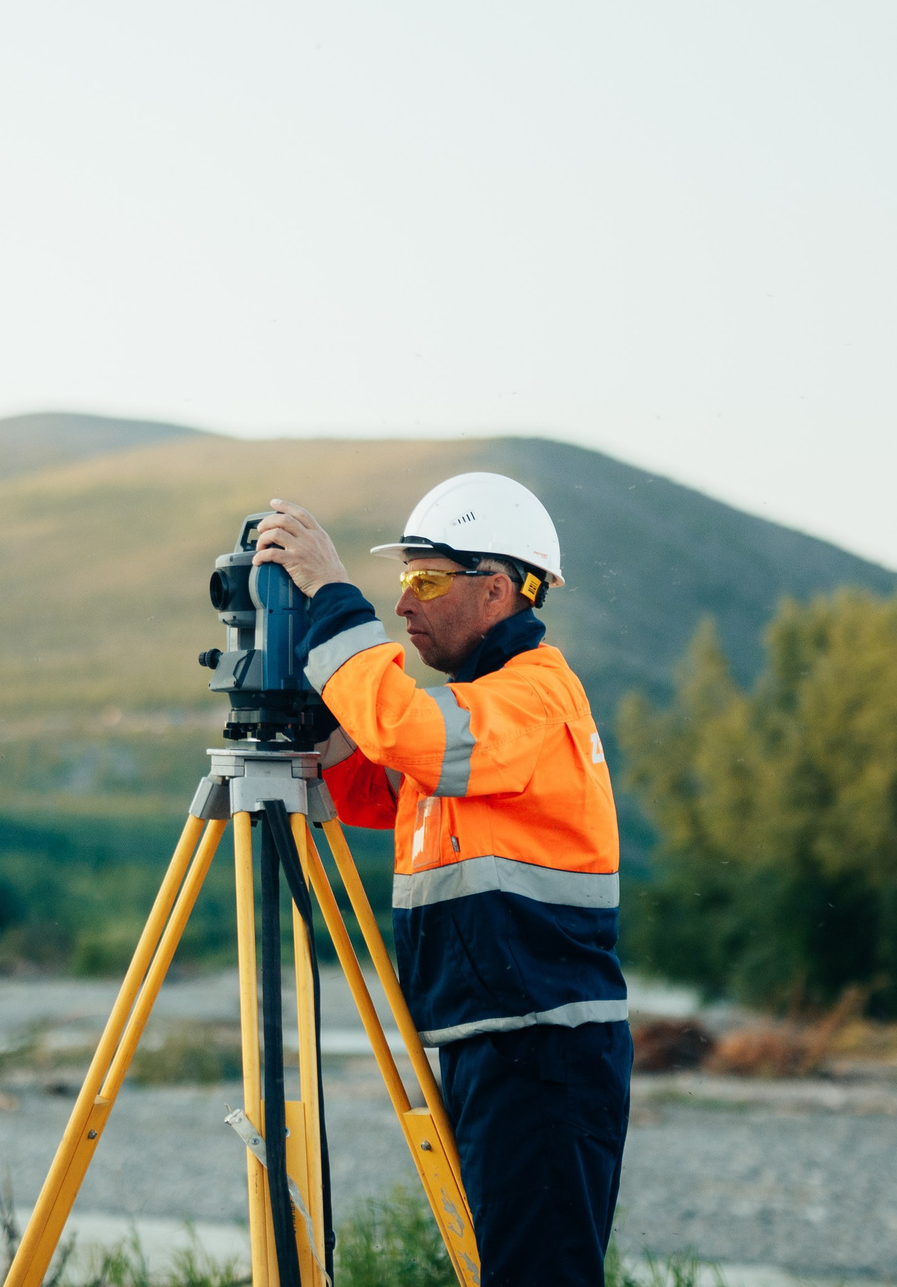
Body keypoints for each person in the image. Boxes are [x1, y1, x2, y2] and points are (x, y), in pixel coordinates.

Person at [250, 474, 628, 1287]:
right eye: (398, 584)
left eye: (424, 579)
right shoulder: (475, 716)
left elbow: (412, 737)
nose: (404, 603)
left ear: (497, 588)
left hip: (542, 1045)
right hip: (498, 1036)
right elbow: (372, 788)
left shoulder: (529, 699)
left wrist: (333, 599)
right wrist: (318, 706)